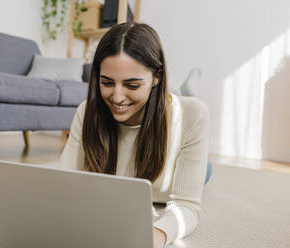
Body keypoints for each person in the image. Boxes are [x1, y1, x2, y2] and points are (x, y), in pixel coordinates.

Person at [59, 22, 210, 247]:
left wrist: (157, 234)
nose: (117, 97)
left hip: (176, 157)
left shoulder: (194, 115)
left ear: (157, 76)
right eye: (107, 83)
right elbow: (65, 184)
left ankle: (182, 93)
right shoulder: (86, 111)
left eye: (132, 85)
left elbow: (187, 205)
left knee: (204, 170)